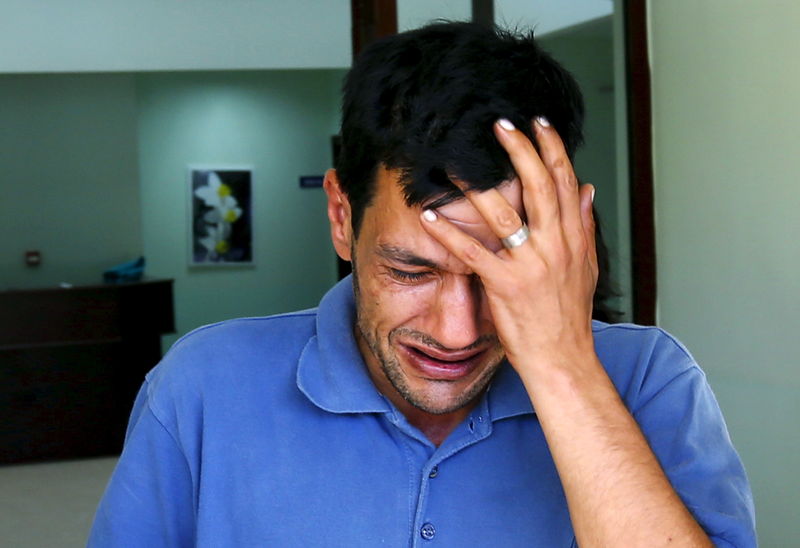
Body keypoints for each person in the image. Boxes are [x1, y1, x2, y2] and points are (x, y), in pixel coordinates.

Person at [89, 22, 755, 547]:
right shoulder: (202, 387)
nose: (456, 331)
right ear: (342, 218)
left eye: (502, 273)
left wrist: (563, 369)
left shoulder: (648, 378)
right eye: (411, 271)